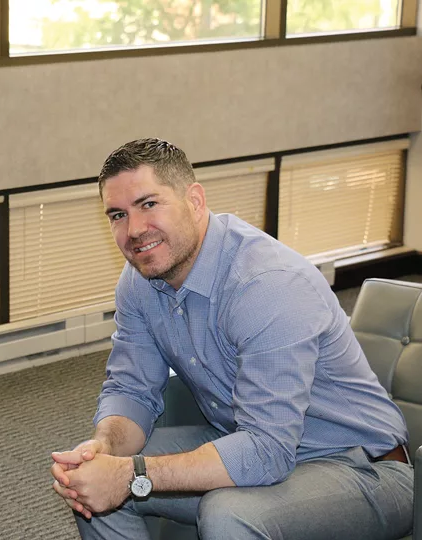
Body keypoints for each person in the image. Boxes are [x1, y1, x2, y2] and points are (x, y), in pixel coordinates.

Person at [50, 138, 413, 540]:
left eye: (149, 204)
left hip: (363, 468)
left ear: (195, 201)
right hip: (243, 440)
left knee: (228, 513)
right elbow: (131, 389)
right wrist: (105, 450)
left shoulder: (267, 285)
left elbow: (268, 451)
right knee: (89, 483)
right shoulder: (139, 282)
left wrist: (131, 473)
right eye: (118, 215)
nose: (134, 230)